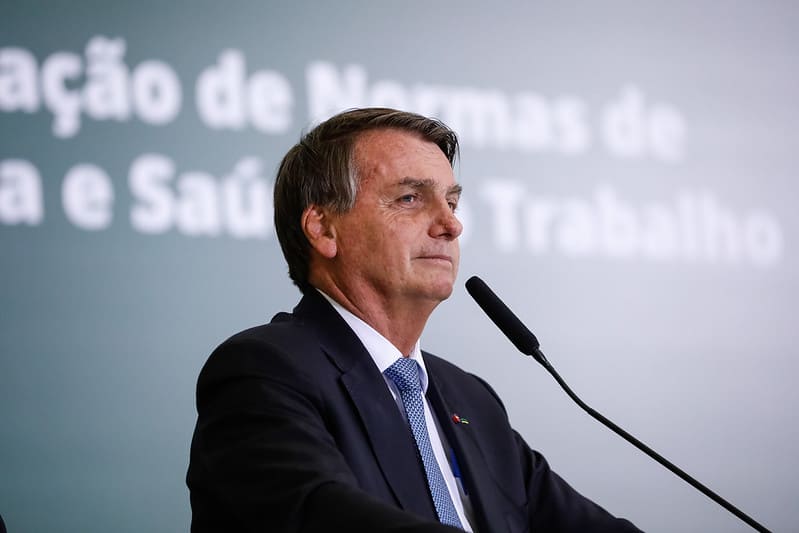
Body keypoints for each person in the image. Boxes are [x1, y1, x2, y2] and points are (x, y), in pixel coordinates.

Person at [187, 108, 641, 532]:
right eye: (409, 198)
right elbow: (322, 514)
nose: (451, 225)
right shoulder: (264, 372)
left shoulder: (471, 399)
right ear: (323, 229)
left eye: (452, 203)